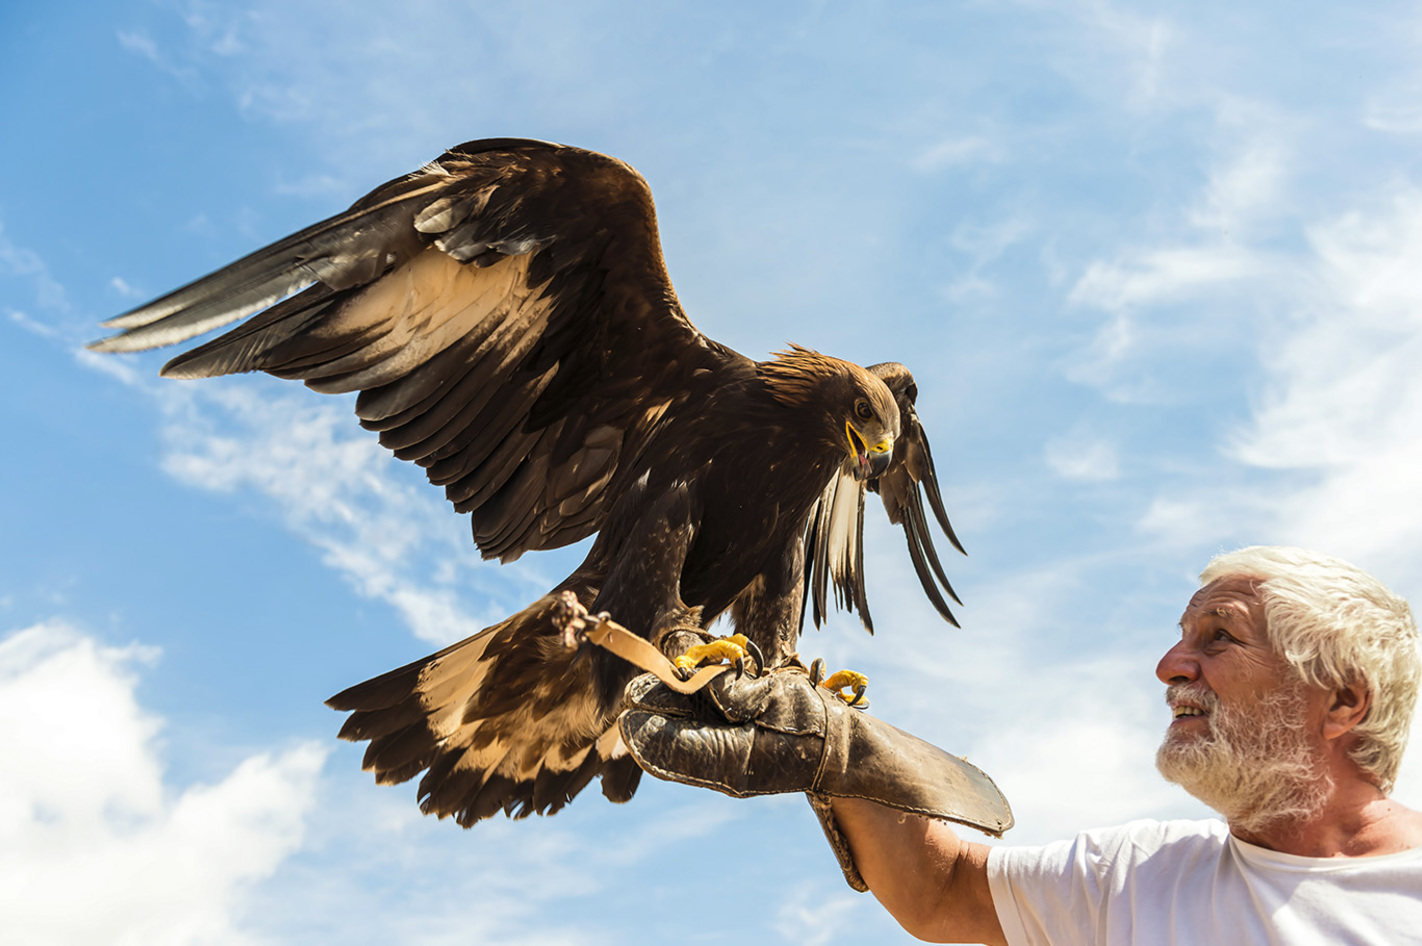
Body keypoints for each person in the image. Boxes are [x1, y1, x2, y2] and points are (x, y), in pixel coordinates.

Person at [619, 546, 1422, 945]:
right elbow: (945, 892)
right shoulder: (1134, 880)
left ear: (1344, 700)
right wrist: (832, 747)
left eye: (1219, 638)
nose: (1170, 666)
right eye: (1181, 636)